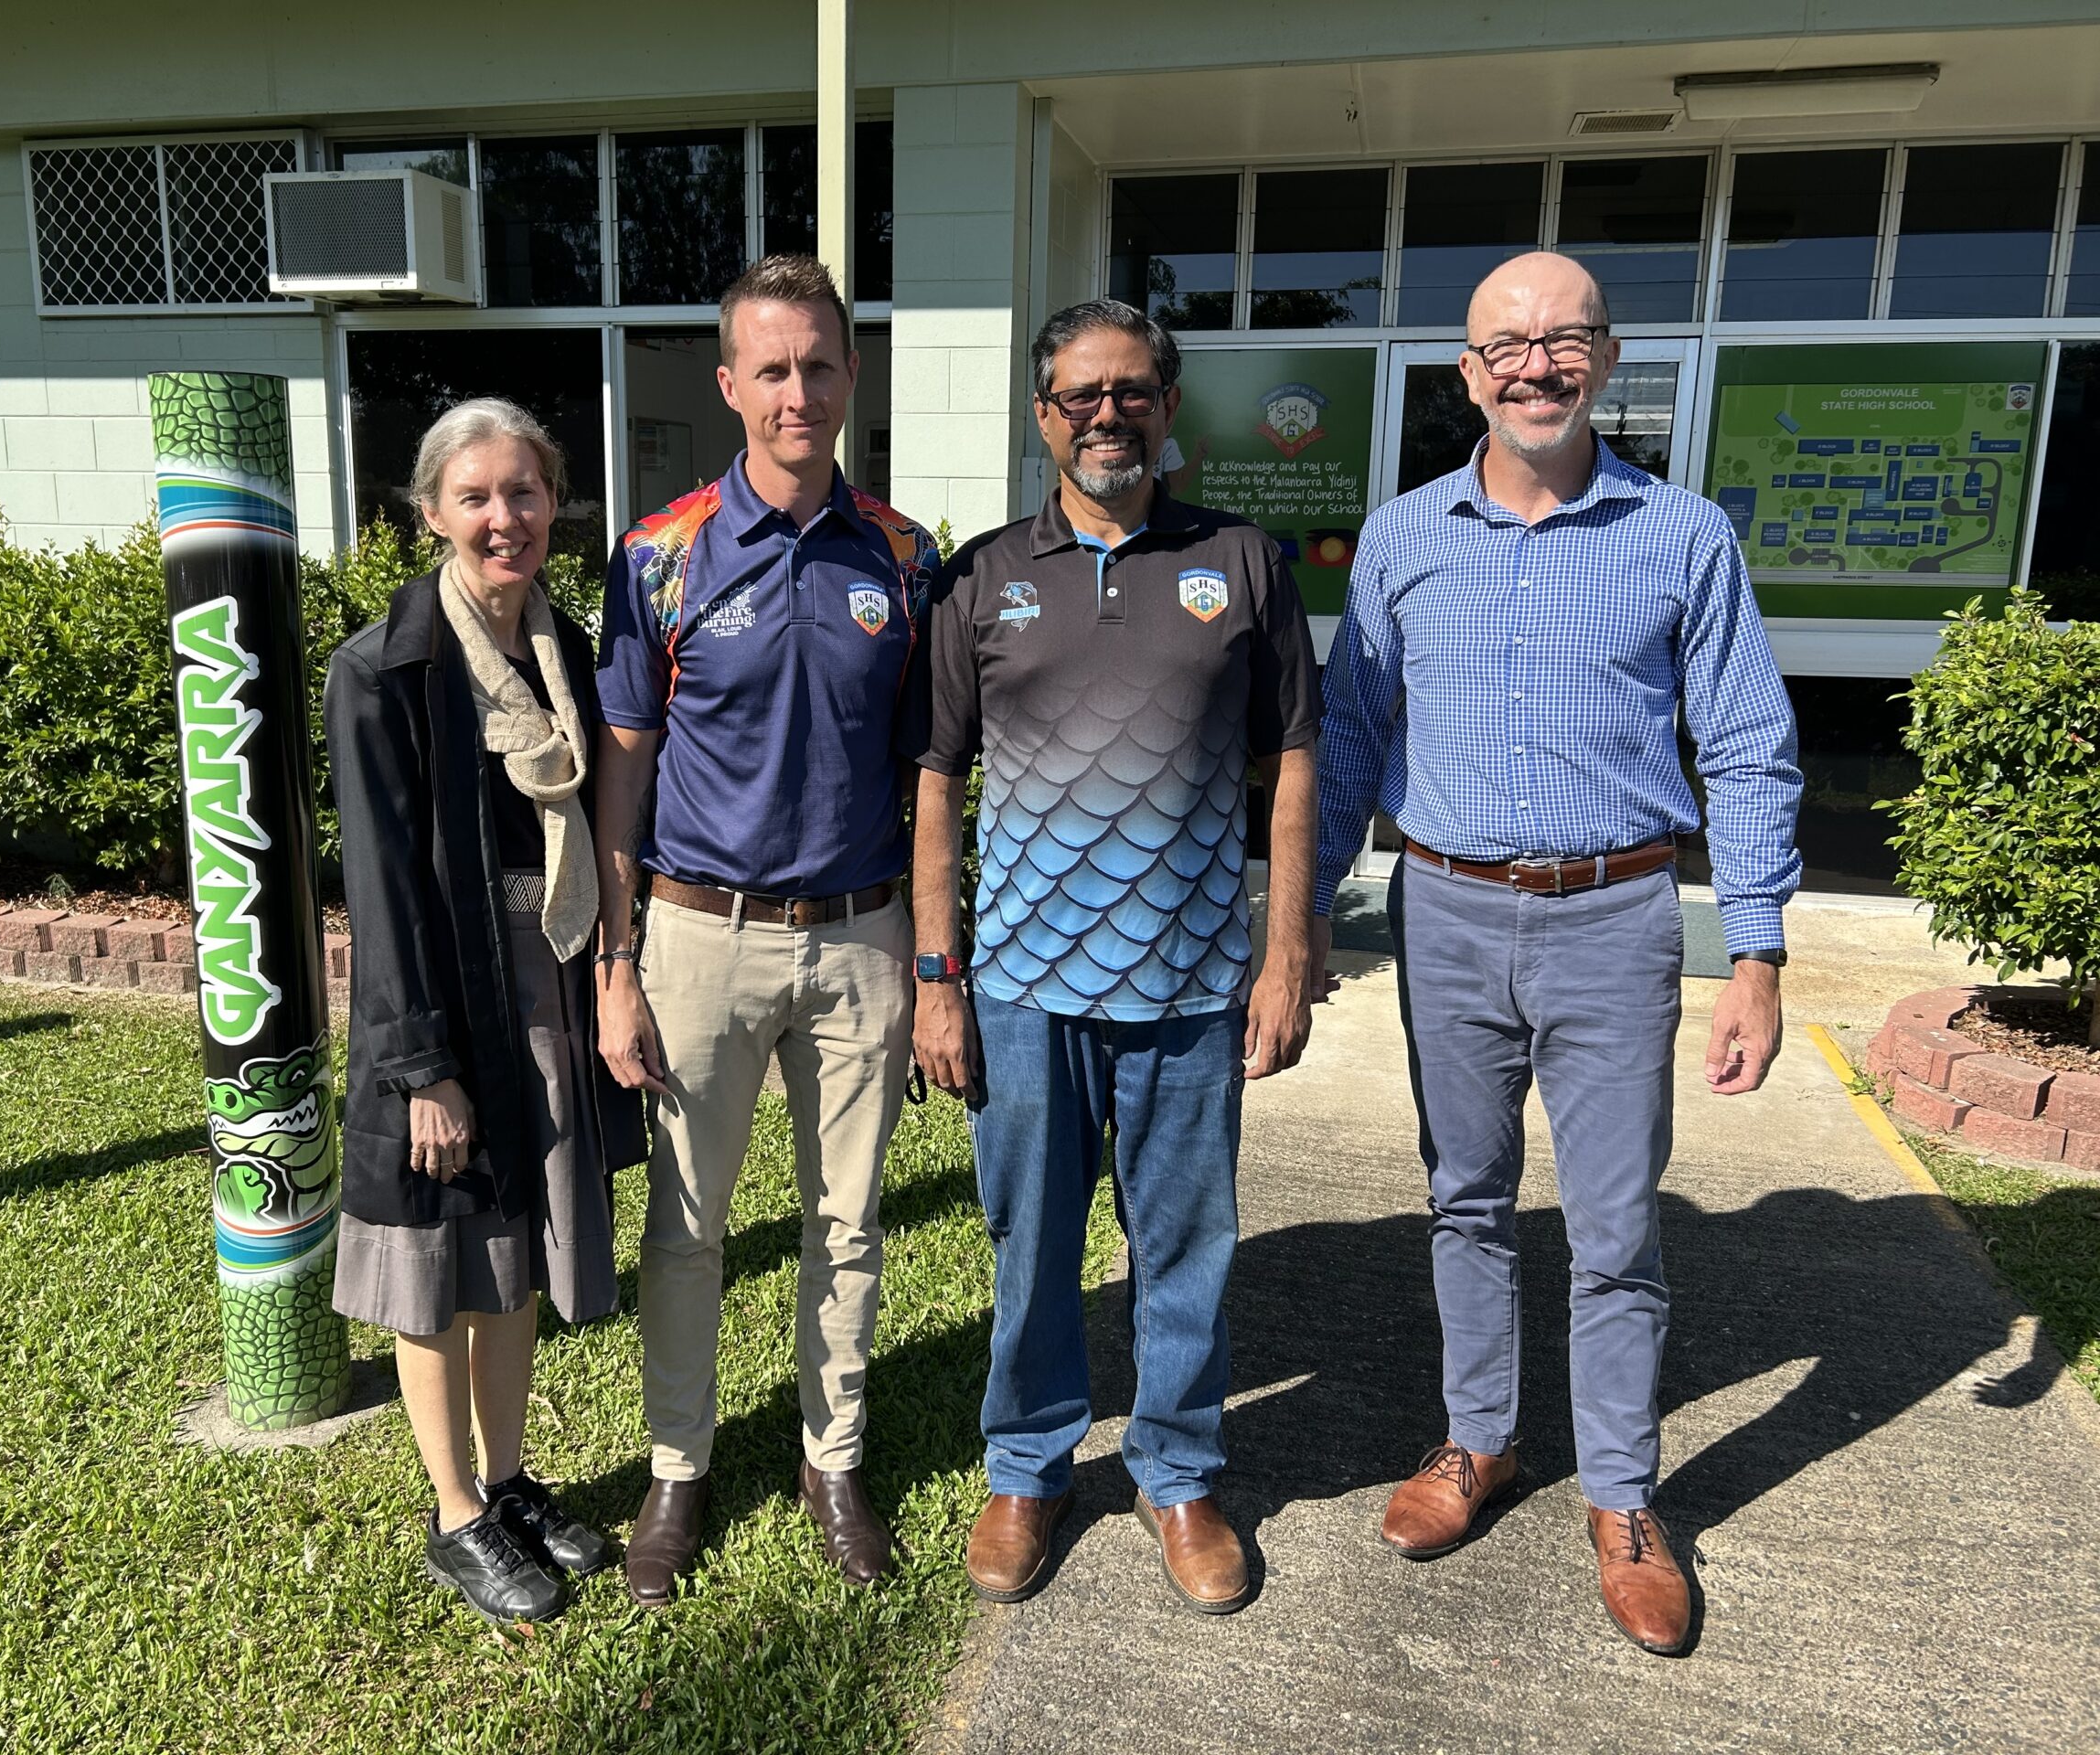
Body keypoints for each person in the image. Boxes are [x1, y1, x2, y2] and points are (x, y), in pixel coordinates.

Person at [1312, 252, 1802, 1656]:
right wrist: (1295, 925)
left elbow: (1754, 750)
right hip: (1448, 910)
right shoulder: (1404, 536)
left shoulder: (1682, 536)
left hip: (1617, 918)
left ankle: (1627, 1495)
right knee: (1464, 1196)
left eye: (1564, 339)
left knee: (1614, 1226)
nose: (1536, 365)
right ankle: (1479, 1441)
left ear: (1607, 356)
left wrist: (1756, 952)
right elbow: (1348, 744)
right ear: (1467, 375)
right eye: (1506, 345)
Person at [912, 298, 1319, 1615]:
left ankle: (1181, 1471)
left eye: (1132, 391)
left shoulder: (1245, 564)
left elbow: (1295, 763)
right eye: (1081, 395)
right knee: (1030, 1243)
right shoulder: (978, 577)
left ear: (1167, 404)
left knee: (1187, 1242)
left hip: (1195, 986)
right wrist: (938, 974)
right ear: (1044, 415)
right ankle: (1029, 1467)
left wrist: (1287, 951)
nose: (1108, 414)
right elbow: (934, 780)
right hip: (1026, 990)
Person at [592, 254, 939, 1605]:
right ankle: (676, 1474)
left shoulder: (905, 560)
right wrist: (615, 964)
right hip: (695, 936)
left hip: (858, 940)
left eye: (821, 364)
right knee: (687, 1229)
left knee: (848, 1224)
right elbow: (622, 769)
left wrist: (925, 952)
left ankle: (831, 1460)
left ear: (853, 375)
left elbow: (928, 778)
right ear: (731, 384)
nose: (799, 390)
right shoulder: (660, 556)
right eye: (772, 368)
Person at [325, 398, 645, 1626]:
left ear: (553, 502)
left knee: (510, 1257)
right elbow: (382, 878)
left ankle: (509, 1480)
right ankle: (455, 1512)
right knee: (444, 1261)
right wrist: (421, 1069)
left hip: (549, 974)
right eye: (476, 496)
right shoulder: (386, 666)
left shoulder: (561, 643)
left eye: (523, 491)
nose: (504, 517)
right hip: (449, 993)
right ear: (430, 516)